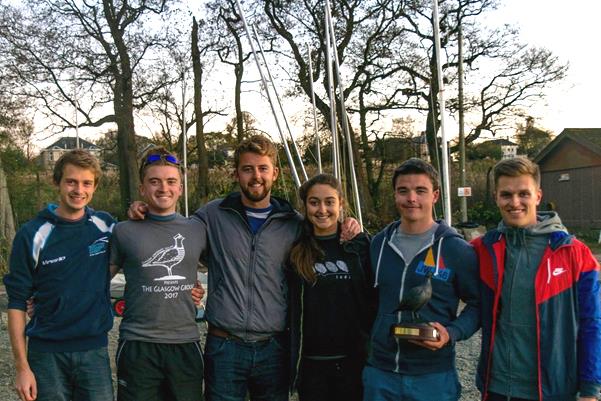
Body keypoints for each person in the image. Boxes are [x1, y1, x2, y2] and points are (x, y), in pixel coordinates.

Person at [129, 135, 360, 401]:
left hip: (273, 348)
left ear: (275, 172)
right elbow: (173, 233)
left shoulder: (294, 223)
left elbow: (326, 234)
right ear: (236, 174)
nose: (256, 176)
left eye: (263, 168)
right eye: (248, 169)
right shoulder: (212, 215)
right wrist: (142, 210)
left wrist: (349, 226)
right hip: (225, 346)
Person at [472, 157, 601, 401]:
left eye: (524, 193)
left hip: (553, 390)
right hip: (496, 388)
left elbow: (592, 323)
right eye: (506, 195)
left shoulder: (574, 252)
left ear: (538, 196)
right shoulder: (483, 249)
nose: (515, 202)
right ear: (496, 197)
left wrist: (591, 389)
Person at [364, 158, 480, 401]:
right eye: (403, 191)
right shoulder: (378, 245)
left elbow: (478, 304)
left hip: (433, 377)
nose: (411, 198)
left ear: (435, 195)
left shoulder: (456, 250)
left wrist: (451, 333)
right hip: (381, 374)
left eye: (420, 190)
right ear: (395, 195)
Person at [4, 149, 115, 401]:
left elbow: (136, 252)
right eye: (71, 181)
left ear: (95, 186)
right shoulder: (32, 234)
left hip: (94, 352)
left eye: (87, 183)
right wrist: (22, 368)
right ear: (57, 182)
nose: (79, 190)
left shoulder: (105, 226)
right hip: (46, 355)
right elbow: (17, 302)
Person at [109, 147, 206, 401]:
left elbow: (228, 267)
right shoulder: (123, 231)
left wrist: (199, 289)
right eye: (155, 181)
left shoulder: (198, 229)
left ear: (181, 188)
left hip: (185, 343)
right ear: (142, 189)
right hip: (138, 343)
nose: (163, 188)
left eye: (171, 181)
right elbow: (96, 281)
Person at [287, 174, 374, 401]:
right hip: (311, 365)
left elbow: (375, 296)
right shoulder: (295, 251)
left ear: (341, 204)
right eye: (314, 202)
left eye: (329, 202)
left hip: (354, 361)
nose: (322, 209)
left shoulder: (358, 245)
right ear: (305, 206)